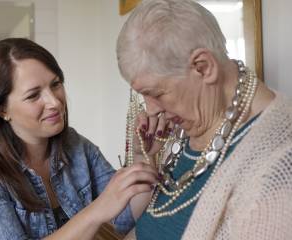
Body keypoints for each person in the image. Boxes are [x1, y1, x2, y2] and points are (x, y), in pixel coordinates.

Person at [0, 38, 159, 239]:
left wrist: (144, 157)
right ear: (1, 109)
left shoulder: (75, 145)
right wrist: (97, 210)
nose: (54, 102)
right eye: (33, 95)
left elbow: (120, 219)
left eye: (55, 84)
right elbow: (104, 210)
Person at [116, 0, 292, 239]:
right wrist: (146, 159)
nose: (151, 109)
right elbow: (155, 223)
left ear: (203, 67)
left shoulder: (276, 169)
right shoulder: (187, 126)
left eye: (156, 94)